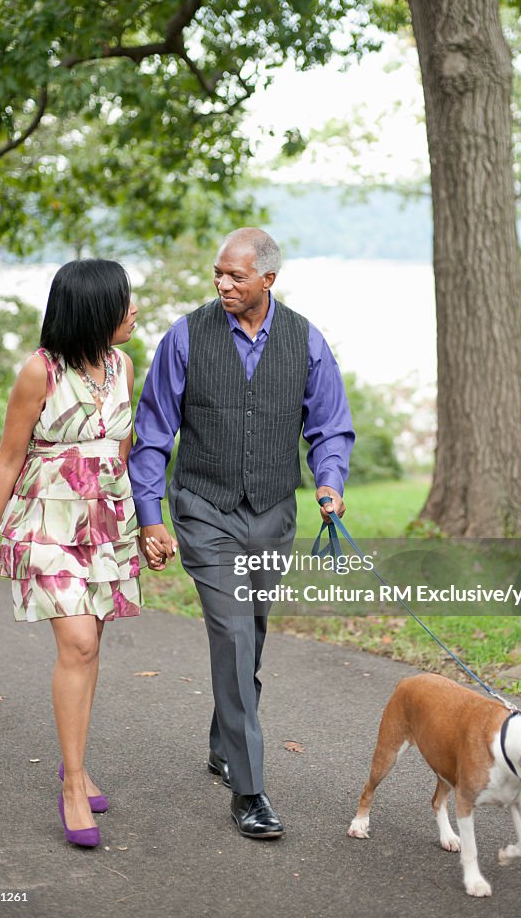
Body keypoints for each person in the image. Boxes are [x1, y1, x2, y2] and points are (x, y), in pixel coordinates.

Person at [129, 227, 355, 839]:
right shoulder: (185, 336)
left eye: (236, 277)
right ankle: (249, 789)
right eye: (218, 275)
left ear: (268, 281)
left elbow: (330, 425)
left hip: (274, 512)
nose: (223, 285)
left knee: (248, 635)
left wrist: (330, 481)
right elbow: (152, 434)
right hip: (205, 507)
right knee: (232, 630)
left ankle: (221, 742)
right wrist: (150, 516)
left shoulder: (305, 339)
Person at [0, 259, 147, 849]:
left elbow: (122, 451)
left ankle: (78, 764)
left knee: (91, 644)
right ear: (95, 309)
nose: (135, 311)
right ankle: (72, 783)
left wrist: (148, 523)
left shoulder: (121, 365)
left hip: (106, 521)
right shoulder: (38, 372)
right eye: (125, 302)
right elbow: (7, 457)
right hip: (47, 520)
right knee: (77, 642)